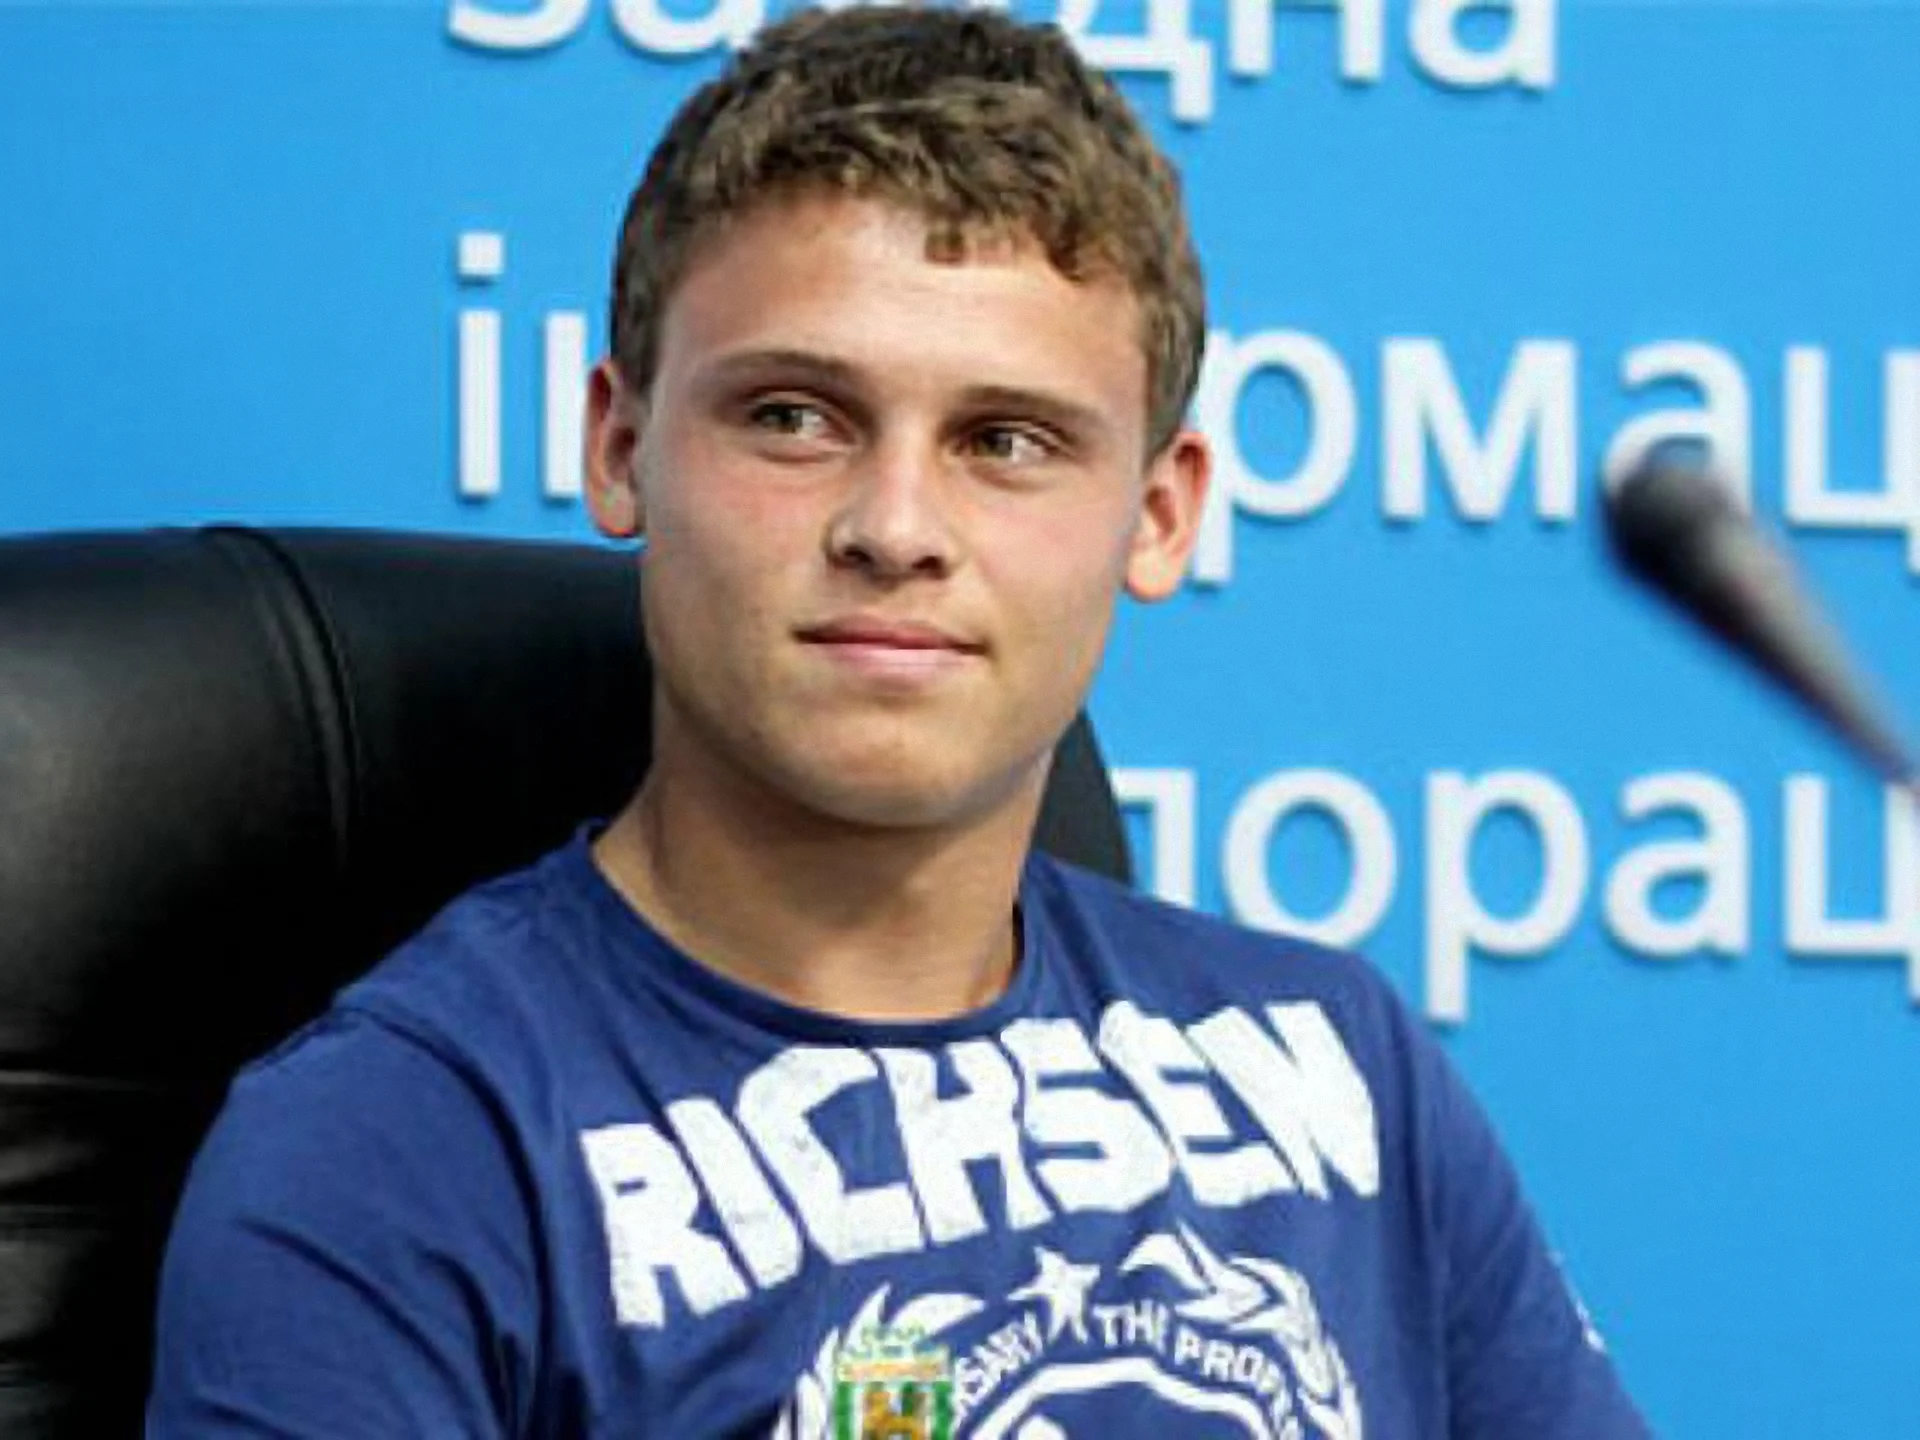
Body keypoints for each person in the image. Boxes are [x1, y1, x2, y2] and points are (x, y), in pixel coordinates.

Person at [146, 5, 1648, 1436]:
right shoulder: (395, 1153)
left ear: (1161, 512)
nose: (896, 526)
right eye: (794, 417)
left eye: (1007, 440)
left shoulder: (1340, 1063)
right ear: (619, 444)